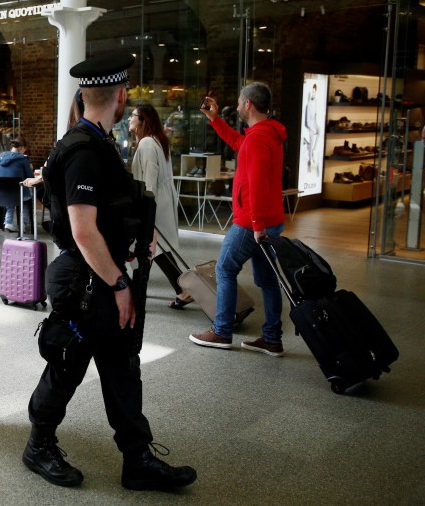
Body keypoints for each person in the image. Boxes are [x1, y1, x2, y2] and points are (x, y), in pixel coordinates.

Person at [23, 53, 196, 491]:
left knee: (122, 366)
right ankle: (39, 445)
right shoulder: (84, 150)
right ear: (120, 97)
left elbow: (108, 216)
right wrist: (118, 283)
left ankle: (137, 458)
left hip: (102, 272)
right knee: (68, 365)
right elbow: (83, 231)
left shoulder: (97, 143)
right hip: (88, 280)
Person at [188, 83, 287, 356]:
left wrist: (256, 225)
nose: (239, 106)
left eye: (241, 102)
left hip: (252, 222)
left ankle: (221, 331)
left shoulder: (257, 138)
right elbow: (237, 141)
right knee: (268, 280)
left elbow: (255, 185)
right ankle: (272, 338)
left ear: (249, 105)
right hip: (272, 218)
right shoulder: (268, 133)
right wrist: (215, 119)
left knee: (225, 269)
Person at [128, 104, 189, 307]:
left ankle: (137, 293)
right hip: (161, 202)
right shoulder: (156, 141)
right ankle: (181, 290)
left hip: (153, 202)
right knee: (158, 249)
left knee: (148, 249)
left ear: (143, 120)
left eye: (133, 115)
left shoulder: (146, 143)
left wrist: (146, 209)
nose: (129, 118)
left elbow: (149, 181)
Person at [0, 137, 33, 233]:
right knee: (26, 198)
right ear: (23, 148)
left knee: (11, 194)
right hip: (18, 193)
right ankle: (23, 225)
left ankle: (8, 222)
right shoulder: (23, 159)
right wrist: (30, 168)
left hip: (1, 193)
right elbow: (30, 177)